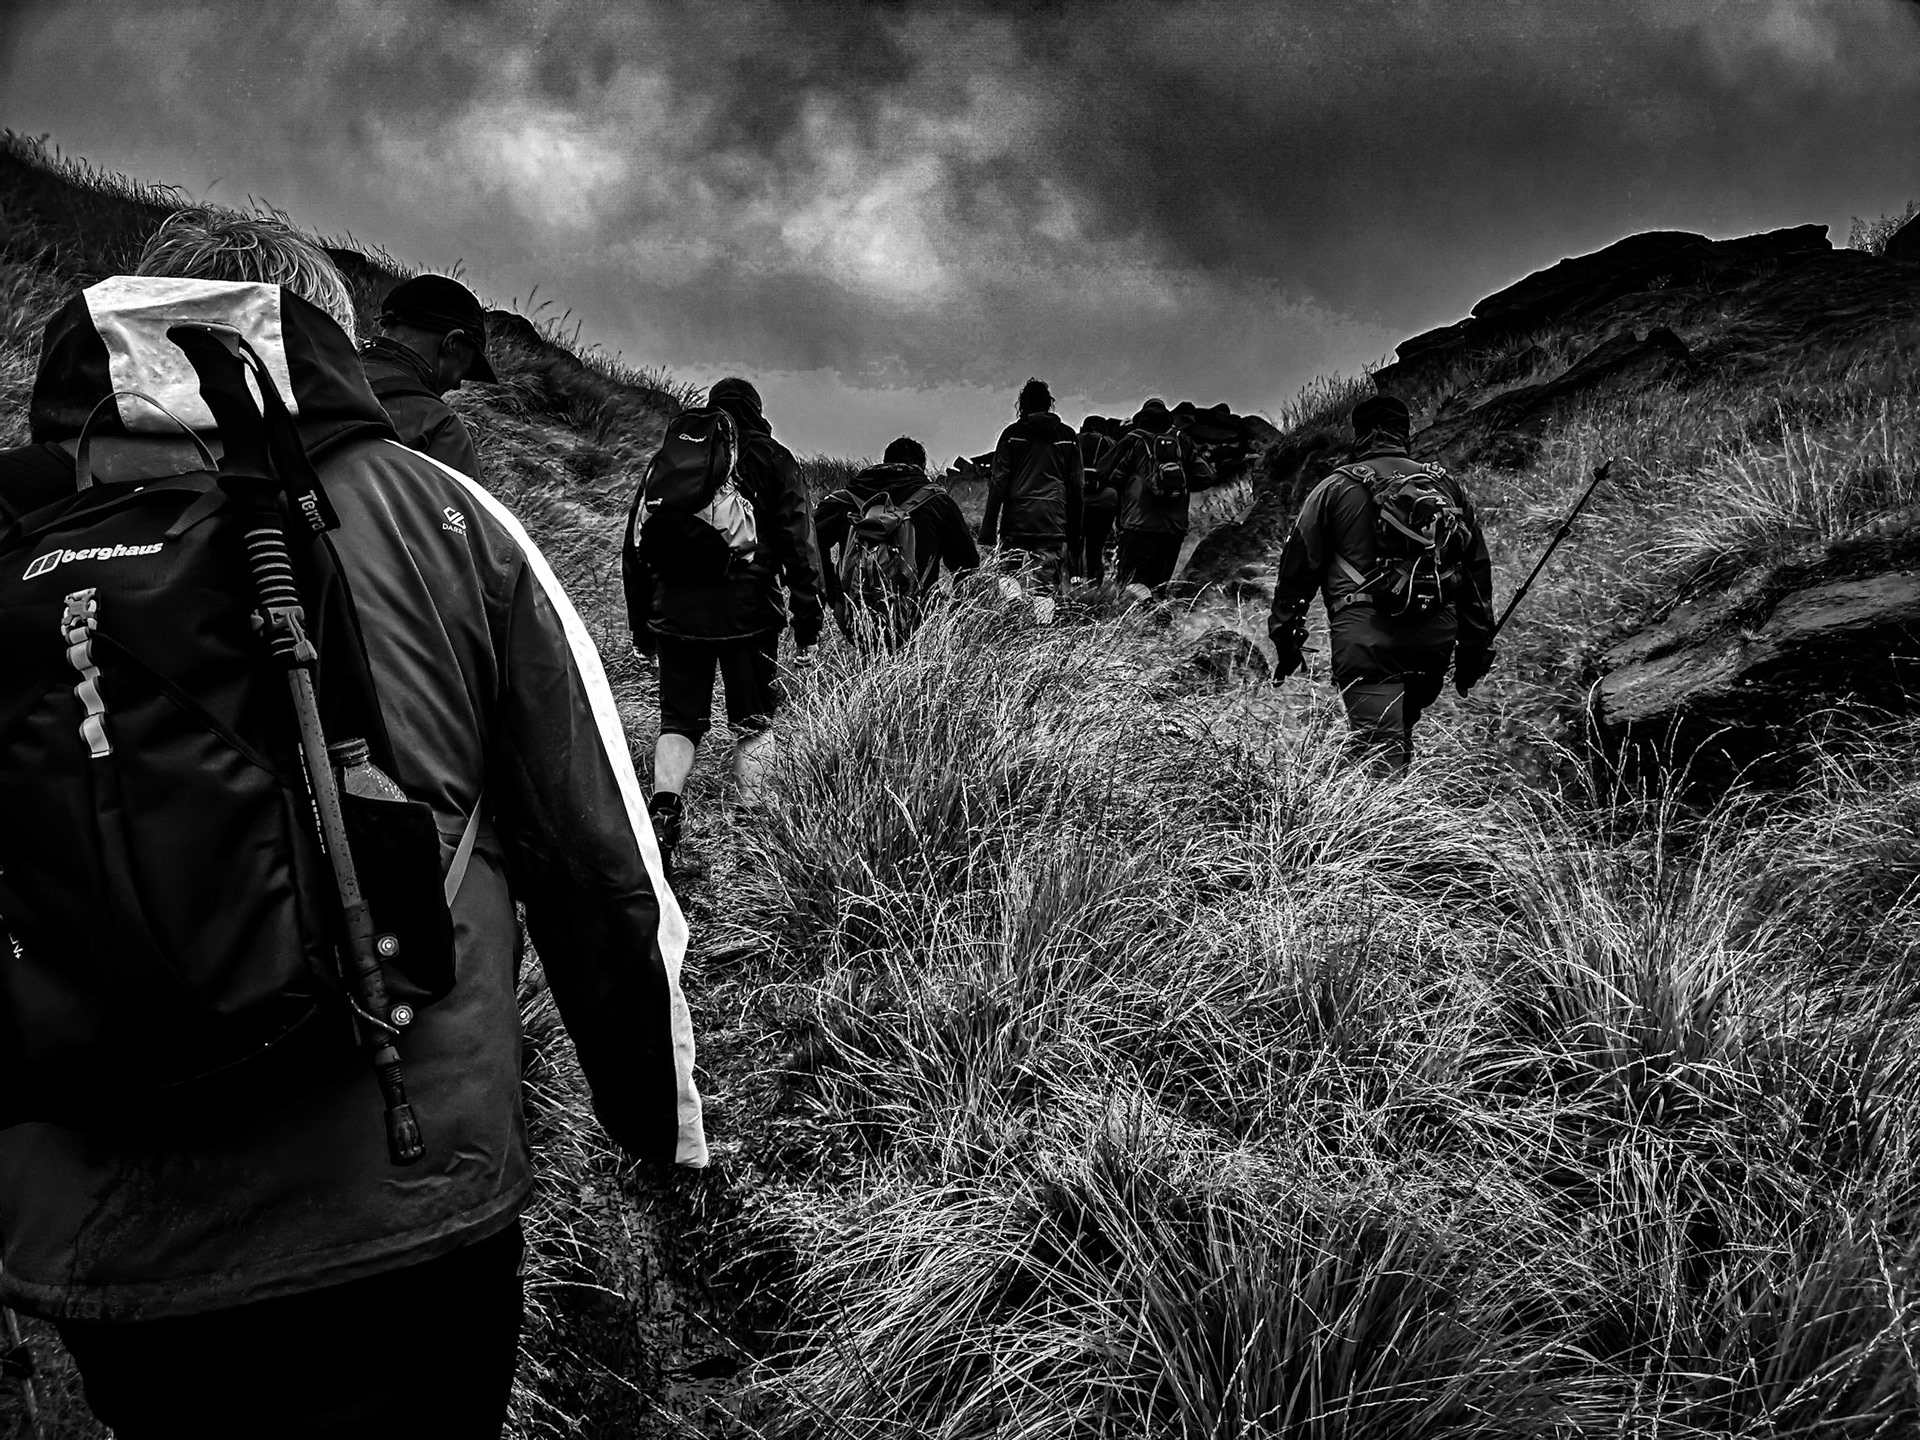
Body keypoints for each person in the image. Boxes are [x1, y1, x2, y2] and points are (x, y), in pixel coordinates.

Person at [0, 228, 703, 1439]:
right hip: (398, 1183)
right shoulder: (445, 515)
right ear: (317, 336)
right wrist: (658, 1124)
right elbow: (600, 860)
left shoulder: (19, 530)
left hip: (97, 1212)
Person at [624, 377, 824, 883]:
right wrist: (808, 625)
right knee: (754, 725)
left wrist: (643, 627)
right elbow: (800, 546)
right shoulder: (775, 459)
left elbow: (637, 546)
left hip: (674, 612)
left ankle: (664, 815)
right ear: (757, 411)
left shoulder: (670, 458)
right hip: (748, 614)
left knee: (678, 723)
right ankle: (752, 840)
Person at [1266, 393, 1495, 772]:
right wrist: (1475, 650)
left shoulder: (1333, 489)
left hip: (1368, 643)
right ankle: (1395, 807)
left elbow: (1296, 571)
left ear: (1360, 435)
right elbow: (1475, 573)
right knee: (1397, 740)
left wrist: (1286, 639)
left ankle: (1390, 825)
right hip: (1435, 640)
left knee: (1379, 761)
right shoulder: (1445, 487)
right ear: (1404, 433)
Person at [814, 434, 980, 643]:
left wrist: (835, 595)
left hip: (856, 616)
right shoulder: (937, 502)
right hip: (919, 619)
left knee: (869, 667)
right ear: (921, 467)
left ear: (884, 463)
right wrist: (958, 617)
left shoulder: (844, 500)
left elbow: (808, 544)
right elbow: (967, 565)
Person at [358, 273, 499, 476]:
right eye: (464, 368)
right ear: (451, 343)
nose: (458, 385)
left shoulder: (322, 370)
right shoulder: (440, 427)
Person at [979, 377, 1082, 623]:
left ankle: (1013, 607)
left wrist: (987, 528)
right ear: (1049, 404)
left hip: (1018, 517)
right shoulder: (1067, 436)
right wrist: (1075, 532)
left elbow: (999, 482)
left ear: (1022, 404)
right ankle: (1042, 629)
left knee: (1008, 568)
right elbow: (1077, 487)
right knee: (1046, 581)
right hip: (1052, 518)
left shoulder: (1012, 434)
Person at [1095, 397, 1218, 596]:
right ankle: (1157, 619)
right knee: (1160, 586)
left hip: (1138, 525)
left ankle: (1139, 618)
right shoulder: (1182, 439)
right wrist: (1180, 487)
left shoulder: (1133, 439)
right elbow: (1207, 476)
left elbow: (1104, 471)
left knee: (1131, 583)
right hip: (1173, 528)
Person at [1075, 417, 1119, 587]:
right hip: (1105, 502)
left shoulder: (1073, 441)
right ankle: (1095, 589)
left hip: (1076, 501)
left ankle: (1074, 588)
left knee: (1074, 549)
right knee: (1095, 551)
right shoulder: (1111, 443)